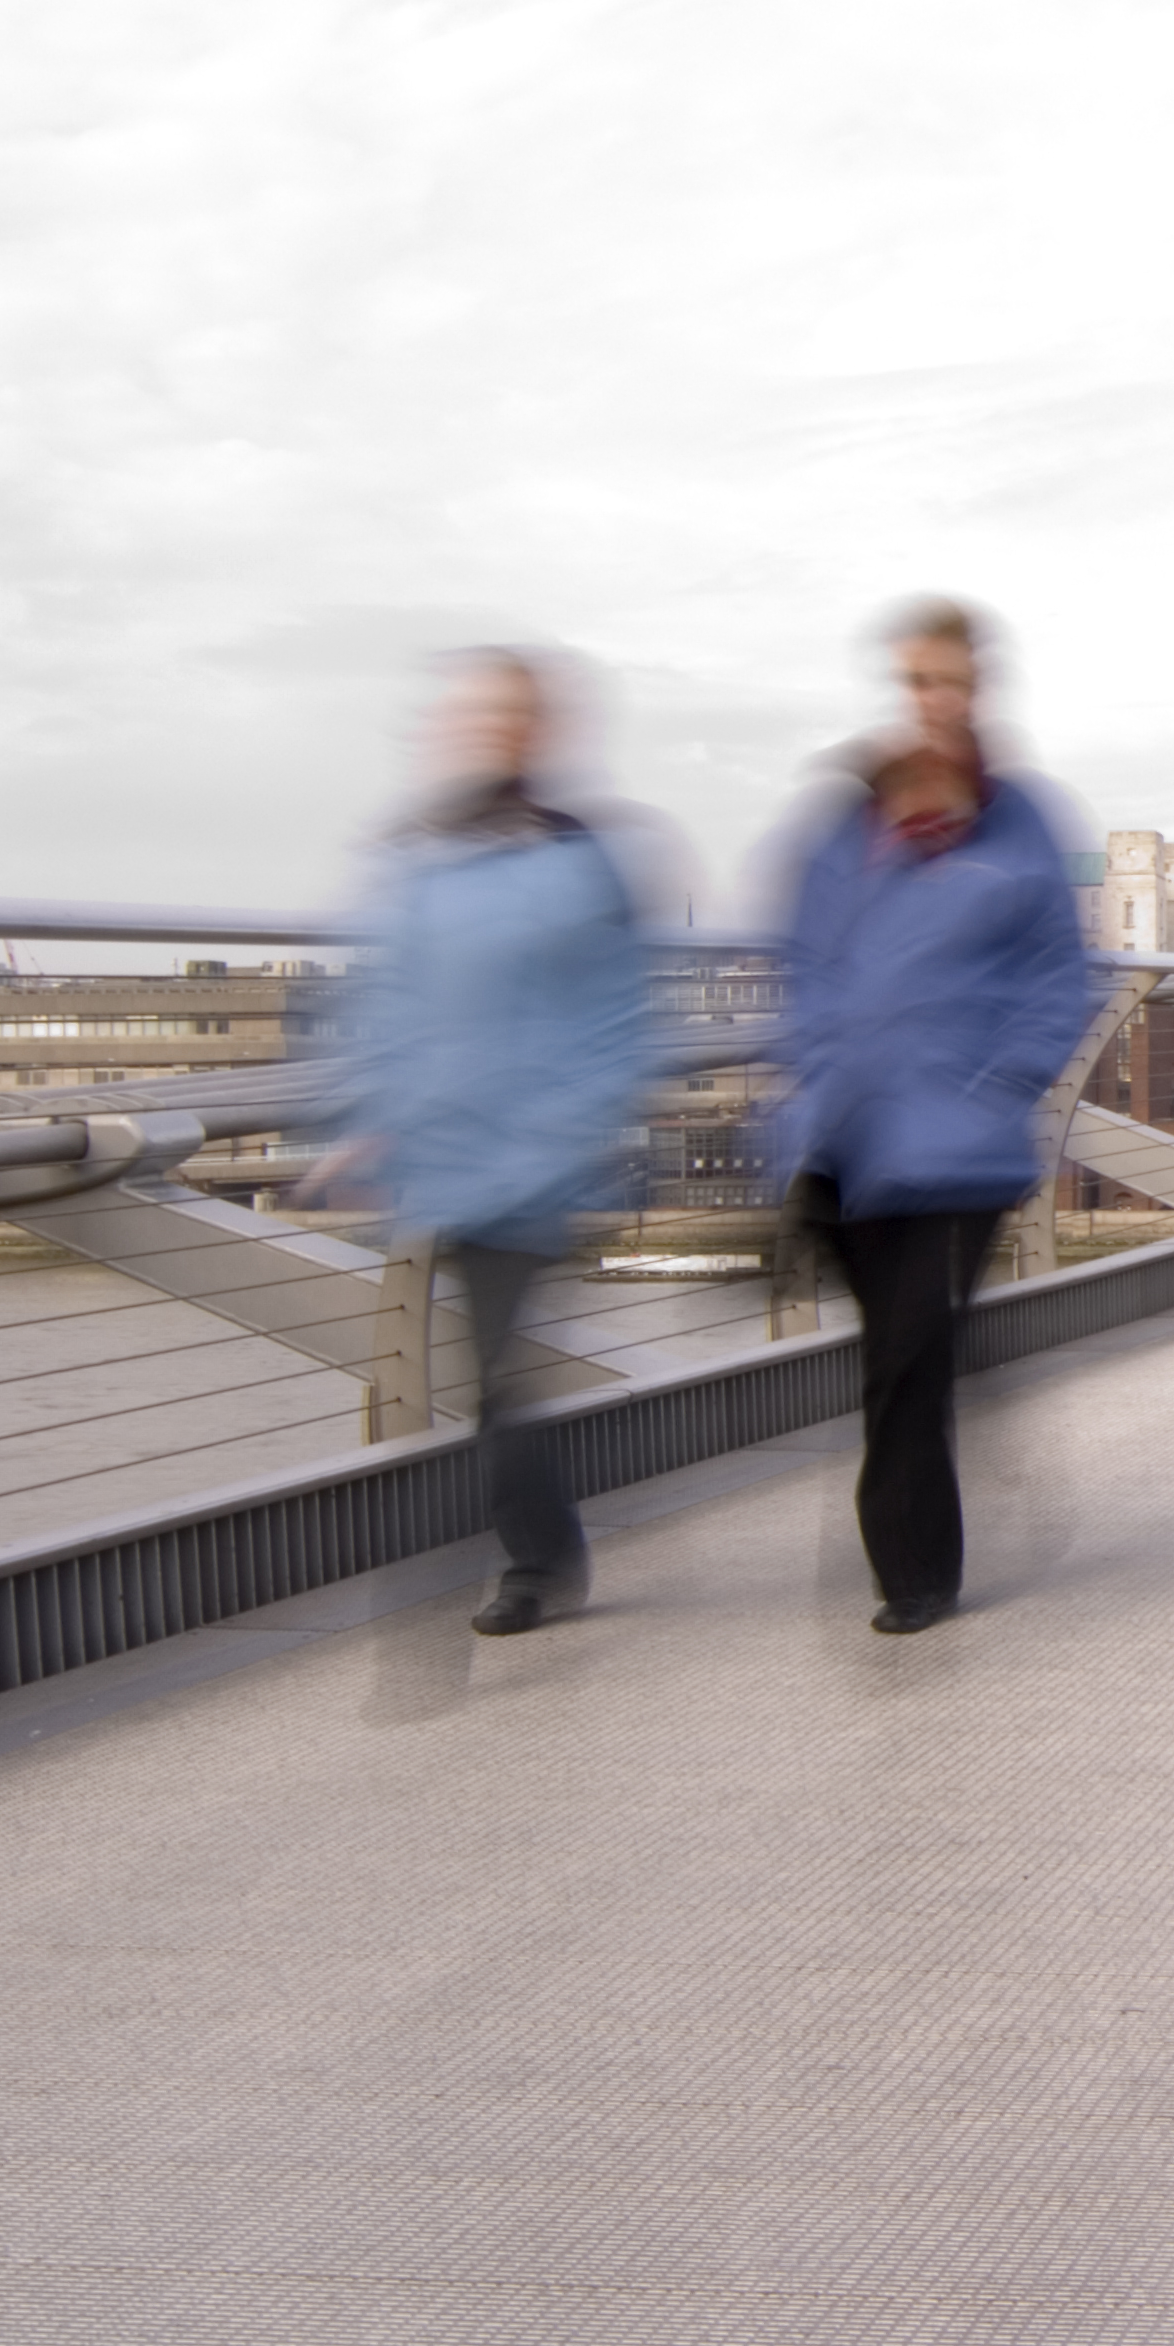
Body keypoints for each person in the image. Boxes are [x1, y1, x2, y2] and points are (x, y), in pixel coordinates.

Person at [778, 599, 1096, 1634]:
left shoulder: (1022, 820)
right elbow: (807, 959)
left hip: (959, 1143)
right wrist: (818, 1080)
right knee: (894, 1355)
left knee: (906, 1362)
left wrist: (998, 1082)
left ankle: (914, 1574)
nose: (934, 699)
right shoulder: (847, 816)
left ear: (978, 687)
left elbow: (1059, 968)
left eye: (950, 680)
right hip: (853, 1135)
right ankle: (933, 1492)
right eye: (916, 681)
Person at [339, 648, 654, 1637]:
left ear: (538, 732)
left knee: (500, 1372)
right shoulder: (419, 857)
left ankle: (539, 1565)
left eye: (507, 715)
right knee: (490, 1372)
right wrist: (368, 1119)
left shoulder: (578, 860)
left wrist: (565, 1130)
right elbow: (388, 996)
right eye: (472, 713)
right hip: (439, 1153)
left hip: (531, 1160)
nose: (485, 730)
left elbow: (616, 1015)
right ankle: (536, 1551)